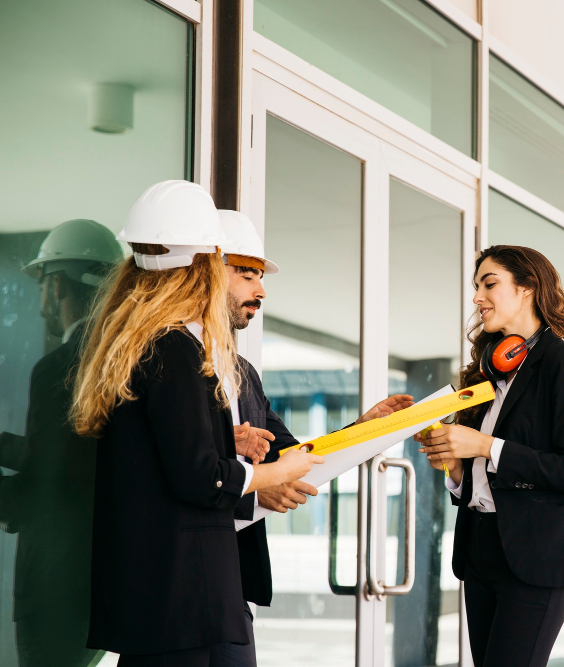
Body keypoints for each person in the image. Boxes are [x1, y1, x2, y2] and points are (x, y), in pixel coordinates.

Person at [73, 181, 323, 666]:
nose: (258, 289)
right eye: (239, 270)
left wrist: (224, 440)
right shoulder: (173, 347)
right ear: (208, 265)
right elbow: (199, 474)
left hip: (174, 594)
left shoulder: (145, 342)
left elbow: (156, 450)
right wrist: (272, 475)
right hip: (186, 595)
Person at [211, 209, 413, 666]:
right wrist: (250, 470)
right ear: (208, 270)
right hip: (182, 579)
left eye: (260, 278)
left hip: (233, 577)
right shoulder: (176, 360)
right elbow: (182, 464)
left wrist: (363, 430)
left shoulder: (243, 374)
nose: (260, 291)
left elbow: (292, 455)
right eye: (246, 276)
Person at [415, 245, 564, 667]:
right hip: (482, 548)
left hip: (539, 555)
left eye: (489, 284)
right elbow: (482, 475)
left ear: (527, 289)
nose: (477, 297)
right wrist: (453, 465)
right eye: (476, 287)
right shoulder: (490, 369)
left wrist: (483, 446)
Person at [0, 219, 123, 667]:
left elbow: (45, 485)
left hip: (53, 588)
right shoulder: (121, 364)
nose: (39, 304)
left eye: (40, 286)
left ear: (55, 285)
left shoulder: (59, 367)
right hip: (99, 580)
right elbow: (75, 456)